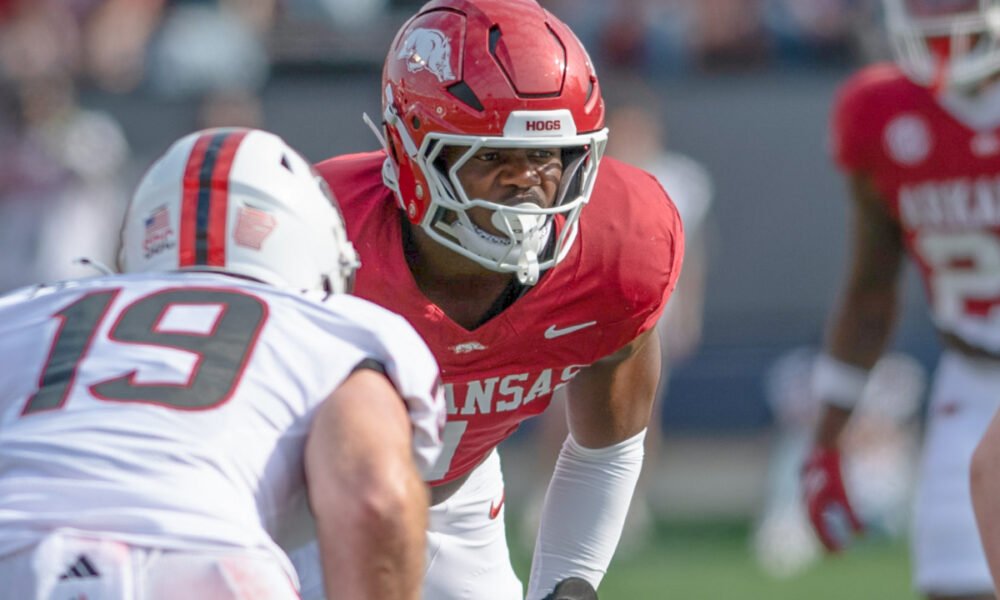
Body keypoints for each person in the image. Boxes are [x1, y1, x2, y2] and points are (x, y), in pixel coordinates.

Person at [289, 1, 685, 599]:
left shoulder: (620, 248)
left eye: (546, 155)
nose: (527, 181)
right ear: (411, 153)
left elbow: (606, 449)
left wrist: (567, 584)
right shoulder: (313, 236)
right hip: (290, 511)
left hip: (451, 501)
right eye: (493, 156)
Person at [0, 127, 446, 600]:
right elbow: (373, 498)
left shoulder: (22, 312)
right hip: (201, 563)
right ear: (318, 245)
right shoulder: (340, 327)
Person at [799, 1, 1000, 598]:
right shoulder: (881, 113)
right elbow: (871, 289)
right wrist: (826, 440)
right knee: (954, 581)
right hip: (972, 376)